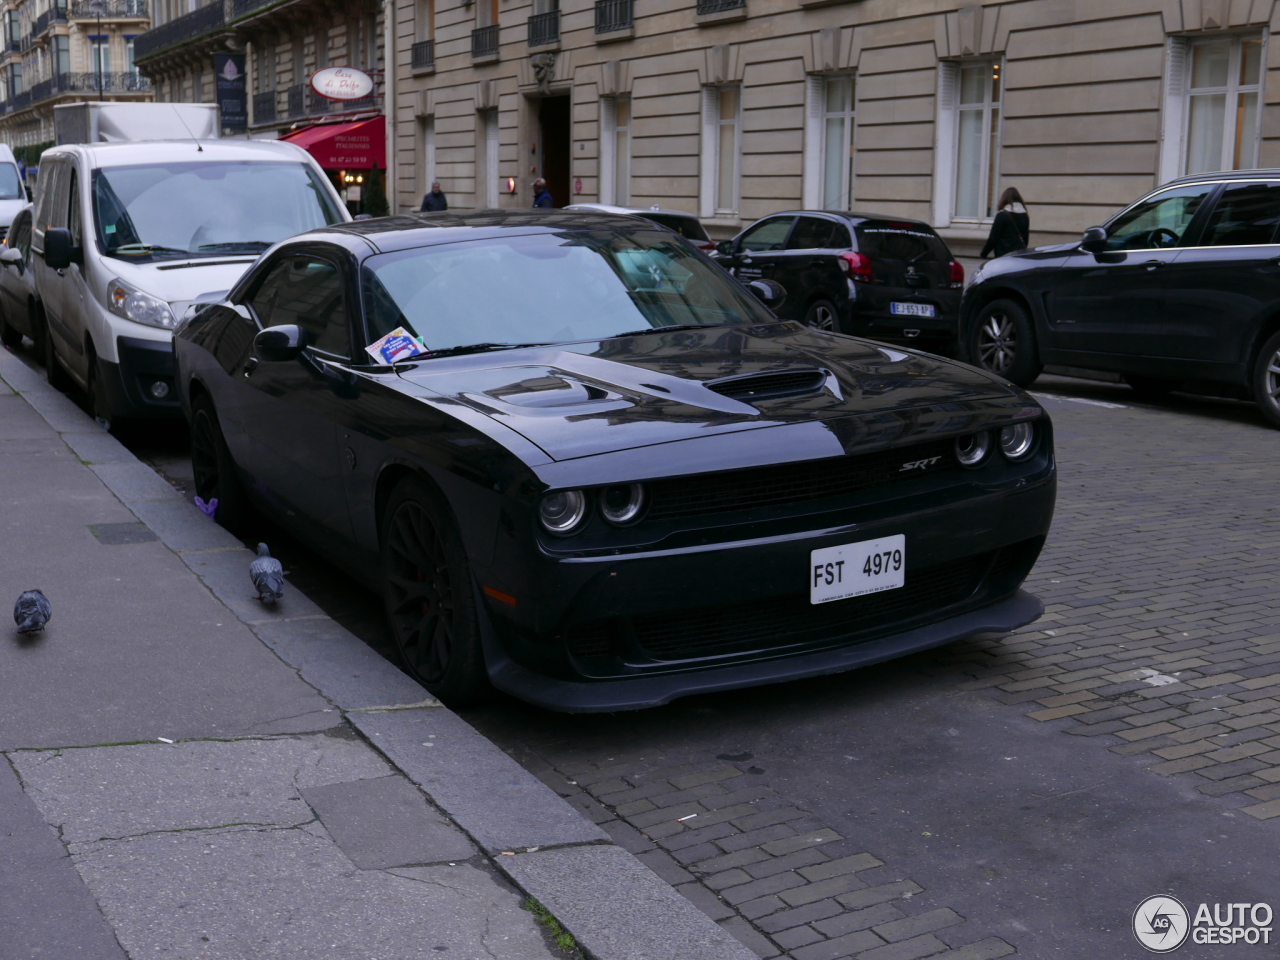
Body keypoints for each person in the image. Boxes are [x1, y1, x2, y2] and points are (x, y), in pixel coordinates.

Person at [980, 187, 1030, 259]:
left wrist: (984, 253)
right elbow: (1026, 239)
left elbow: (993, 238)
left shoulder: (1002, 215)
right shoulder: (1025, 215)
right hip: (1019, 256)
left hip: (1003, 256)